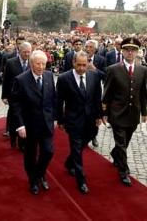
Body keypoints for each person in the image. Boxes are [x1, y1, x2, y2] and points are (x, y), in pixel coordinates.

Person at [9, 50, 57, 195]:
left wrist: (54, 117)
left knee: (48, 152)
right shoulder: (21, 80)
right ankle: (33, 180)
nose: (41, 67)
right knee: (30, 155)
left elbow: (53, 98)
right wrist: (20, 125)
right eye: (38, 64)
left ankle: (39, 173)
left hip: (46, 123)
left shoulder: (49, 76)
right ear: (31, 64)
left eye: (44, 64)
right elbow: (15, 105)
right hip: (29, 125)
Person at [102, 37, 147, 187]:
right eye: (127, 49)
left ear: (137, 52)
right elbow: (106, 92)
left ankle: (116, 154)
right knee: (121, 143)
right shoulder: (113, 69)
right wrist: (105, 111)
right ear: (122, 51)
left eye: (133, 50)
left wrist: (144, 113)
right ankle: (123, 171)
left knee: (126, 141)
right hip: (117, 113)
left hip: (133, 113)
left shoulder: (142, 70)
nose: (130, 52)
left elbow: (143, 94)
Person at [56, 51, 102, 194]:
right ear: (73, 63)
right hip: (73, 119)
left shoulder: (94, 75)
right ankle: (81, 180)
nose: (82, 68)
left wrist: (99, 115)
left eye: (84, 64)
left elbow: (97, 97)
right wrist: (60, 120)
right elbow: (59, 101)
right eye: (79, 65)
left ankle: (69, 162)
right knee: (77, 149)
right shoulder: (64, 78)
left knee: (85, 141)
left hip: (90, 119)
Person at [2, 42, 32, 150]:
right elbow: (6, 80)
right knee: (14, 116)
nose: (27, 54)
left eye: (29, 52)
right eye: (25, 52)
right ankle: (13, 137)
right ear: (19, 51)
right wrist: (4, 95)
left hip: (28, 96)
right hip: (14, 96)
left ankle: (22, 143)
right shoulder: (11, 62)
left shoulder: (32, 62)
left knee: (25, 118)